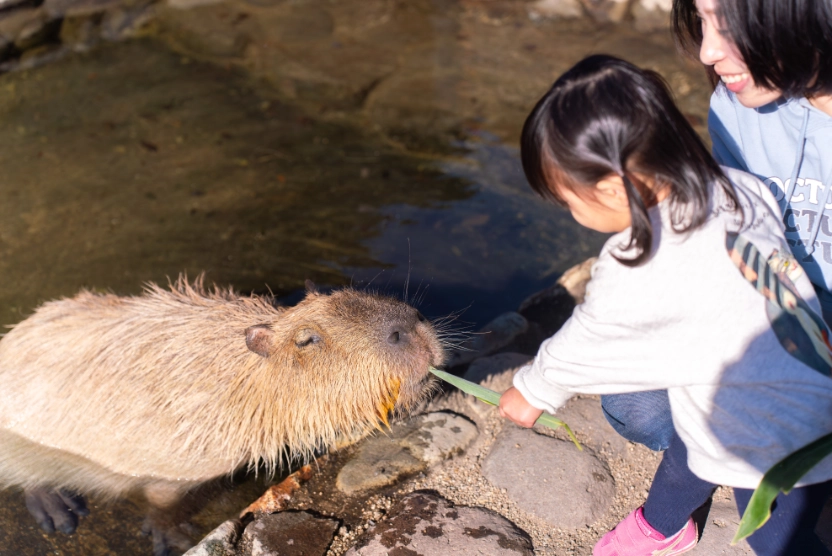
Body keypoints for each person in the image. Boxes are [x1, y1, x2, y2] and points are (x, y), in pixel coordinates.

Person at [499, 54, 832, 556]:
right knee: (690, 443)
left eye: (570, 199)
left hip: (773, 432)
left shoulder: (639, 259)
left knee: (776, 535)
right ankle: (664, 524)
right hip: (809, 366)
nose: (571, 212)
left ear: (613, 188)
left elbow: (589, 338)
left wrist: (532, 390)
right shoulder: (738, 188)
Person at [595, 0, 832, 550]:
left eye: (726, 21)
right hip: (774, 321)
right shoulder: (738, 102)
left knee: (773, 520)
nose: (706, 50)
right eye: (702, 20)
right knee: (640, 402)